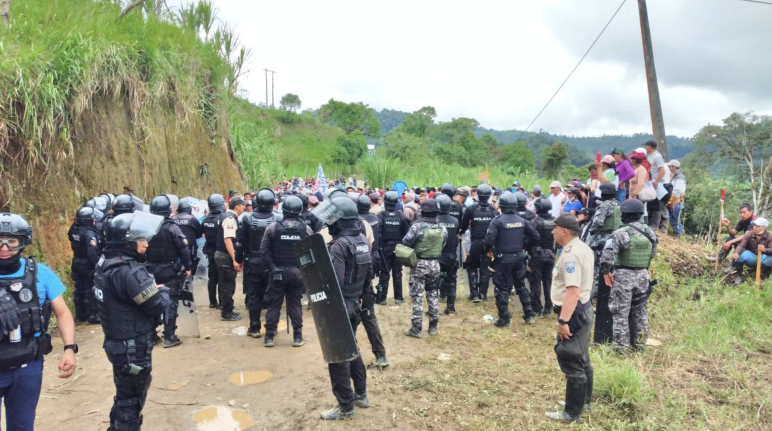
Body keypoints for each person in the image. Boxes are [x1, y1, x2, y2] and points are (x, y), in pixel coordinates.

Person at [0, 213, 78, 430]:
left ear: (23, 242)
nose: (4, 247)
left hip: (28, 366)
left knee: (23, 426)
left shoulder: (40, 273)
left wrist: (70, 349)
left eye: (11, 241)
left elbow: (62, 313)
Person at [94, 212, 170, 431]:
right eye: (140, 240)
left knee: (124, 396)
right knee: (131, 402)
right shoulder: (130, 272)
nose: (145, 244)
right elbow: (156, 305)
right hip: (132, 347)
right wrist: (162, 292)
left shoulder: (105, 263)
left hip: (117, 343)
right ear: (126, 241)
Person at [320, 197, 373, 420]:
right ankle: (361, 394)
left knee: (338, 356)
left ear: (341, 221)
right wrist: (359, 298)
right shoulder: (362, 239)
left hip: (341, 305)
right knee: (352, 349)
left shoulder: (338, 245)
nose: (328, 223)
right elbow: (369, 276)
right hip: (355, 304)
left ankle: (345, 406)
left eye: (332, 219)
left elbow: (335, 282)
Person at [544, 213, 594, 424]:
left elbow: (572, 291)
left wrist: (563, 322)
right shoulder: (583, 247)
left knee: (571, 357)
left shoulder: (571, 255)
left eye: (554, 228)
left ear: (564, 231)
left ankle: (572, 413)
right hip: (583, 308)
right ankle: (583, 402)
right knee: (582, 358)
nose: (552, 231)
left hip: (573, 312)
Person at [600, 199, 657, 350]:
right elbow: (652, 254)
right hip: (643, 275)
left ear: (624, 215)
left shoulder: (620, 233)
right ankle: (640, 343)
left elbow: (607, 256)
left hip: (624, 276)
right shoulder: (649, 232)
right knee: (640, 311)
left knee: (620, 311)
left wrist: (606, 272)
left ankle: (621, 346)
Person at [259, 196, 312, 347]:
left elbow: (263, 251)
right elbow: (311, 252)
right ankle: (297, 337)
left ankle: (269, 337)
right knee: (295, 303)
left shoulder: (273, 227)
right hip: (297, 273)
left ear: (283, 210)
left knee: (274, 304)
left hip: (277, 273)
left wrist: (273, 269)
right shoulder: (306, 229)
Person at [485, 192, 540, 327]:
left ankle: (504, 319)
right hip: (519, 258)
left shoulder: (497, 221)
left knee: (502, 288)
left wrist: (488, 250)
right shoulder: (521, 221)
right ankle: (529, 315)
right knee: (520, 286)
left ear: (501, 206)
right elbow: (536, 236)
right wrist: (523, 246)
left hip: (503, 259)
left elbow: (489, 239)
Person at [145, 195, 192, 348]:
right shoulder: (172, 228)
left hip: (150, 270)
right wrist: (188, 267)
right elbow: (183, 249)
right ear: (168, 211)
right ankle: (169, 336)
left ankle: (152, 335)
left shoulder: (146, 228)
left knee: (151, 301)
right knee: (170, 302)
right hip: (169, 270)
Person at [238, 189, 282, 338]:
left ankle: (255, 327)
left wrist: (238, 260)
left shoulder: (246, 219)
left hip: (253, 261)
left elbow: (240, 243)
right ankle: (272, 327)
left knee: (253, 296)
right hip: (273, 262)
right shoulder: (279, 218)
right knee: (273, 295)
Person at [402, 199, 446, 337]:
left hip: (419, 264)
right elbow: (443, 244)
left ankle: (416, 328)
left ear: (422, 211)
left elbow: (405, 242)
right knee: (433, 294)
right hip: (435, 264)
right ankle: (433, 327)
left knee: (418, 296)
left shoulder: (416, 227)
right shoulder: (442, 227)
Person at [355, 195, 389, 367]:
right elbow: (370, 251)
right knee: (369, 317)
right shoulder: (366, 224)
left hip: (347, 285)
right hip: (363, 280)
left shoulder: (329, 230)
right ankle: (380, 356)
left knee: (349, 321)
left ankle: (351, 356)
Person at [586, 183, 622, 344]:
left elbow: (597, 223)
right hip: (614, 240)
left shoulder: (605, 206)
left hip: (601, 240)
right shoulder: (618, 206)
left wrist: (591, 232)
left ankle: (592, 297)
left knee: (595, 270)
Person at [460, 184, 496, 302]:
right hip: (488, 244)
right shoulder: (493, 211)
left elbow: (464, 225)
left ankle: (474, 294)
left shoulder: (471, 209)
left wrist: (461, 232)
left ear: (477, 195)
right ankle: (484, 294)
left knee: (472, 267)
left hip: (475, 243)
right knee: (485, 267)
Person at [68, 206, 102, 324]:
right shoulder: (89, 233)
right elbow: (92, 252)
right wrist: (98, 264)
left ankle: (79, 315)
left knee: (79, 289)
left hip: (76, 261)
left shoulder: (74, 228)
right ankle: (91, 315)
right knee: (89, 289)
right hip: (87, 263)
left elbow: (70, 237)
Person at [215, 195, 245, 321]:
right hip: (225, 255)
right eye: (243, 205)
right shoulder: (230, 219)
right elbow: (228, 240)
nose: (244, 207)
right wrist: (235, 259)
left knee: (223, 284)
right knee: (228, 285)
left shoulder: (223, 215)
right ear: (237, 206)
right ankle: (227, 312)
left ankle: (224, 307)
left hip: (220, 254)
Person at [377, 192, 410, 305]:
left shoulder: (380, 216)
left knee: (384, 273)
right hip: (398, 248)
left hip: (384, 248)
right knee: (397, 273)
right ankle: (398, 297)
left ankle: (382, 298)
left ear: (385, 202)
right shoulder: (401, 216)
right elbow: (407, 232)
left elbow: (377, 233)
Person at [529, 197, 556, 318]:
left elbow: (528, 238)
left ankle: (537, 309)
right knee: (548, 282)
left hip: (537, 255)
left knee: (536, 282)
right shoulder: (555, 221)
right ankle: (548, 308)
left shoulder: (534, 222)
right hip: (550, 254)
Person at [435, 195, 460, 314]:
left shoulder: (434, 221)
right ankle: (451, 308)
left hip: (435, 256)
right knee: (451, 282)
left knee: (432, 283)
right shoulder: (455, 221)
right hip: (450, 256)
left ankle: (432, 308)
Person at [731, 217, 772, 284]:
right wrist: (736, 253)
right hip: (752, 258)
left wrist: (765, 250)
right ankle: (739, 276)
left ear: (764, 227)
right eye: (754, 225)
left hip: (763, 258)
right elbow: (742, 245)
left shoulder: (770, 236)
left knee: (770, 258)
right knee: (742, 255)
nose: (755, 227)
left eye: (758, 226)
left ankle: (763, 275)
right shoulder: (749, 234)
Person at [202, 194, 224, 308]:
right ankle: (222, 303)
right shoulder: (222, 218)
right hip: (220, 251)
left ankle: (212, 302)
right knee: (221, 278)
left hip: (210, 250)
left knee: (212, 278)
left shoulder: (206, 219)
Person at [645, 140, 669, 232]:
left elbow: (662, 171)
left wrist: (656, 182)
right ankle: (651, 224)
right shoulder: (650, 156)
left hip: (655, 182)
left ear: (649, 146)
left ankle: (654, 225)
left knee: (655, 203)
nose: (645, 148)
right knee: (650, 203)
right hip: (650, 181)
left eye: (646, 146)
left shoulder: (657, 157)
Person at [666, 160, 686, 237]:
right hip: (673, 200)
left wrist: (673, 203)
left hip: (676, 201)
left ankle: (677, 234)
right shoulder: (675, 175)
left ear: (674, 167)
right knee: (672, 217)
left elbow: (677, 191)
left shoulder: (680, 177)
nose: (669, 168)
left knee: (675, 218)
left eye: (670, 166)